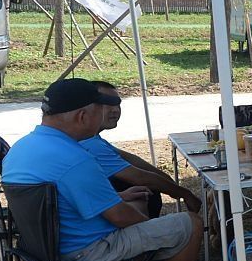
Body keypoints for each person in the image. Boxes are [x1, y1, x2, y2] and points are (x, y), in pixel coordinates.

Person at [2, 78, 214, 261]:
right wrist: (156, 228)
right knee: (190, 224)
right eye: (99, 112)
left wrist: (120, 197)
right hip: (86, 251)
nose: (103, 117)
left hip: (42, 249)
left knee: (136, 199)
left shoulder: (20, 149)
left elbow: (59, 199)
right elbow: (120, 218)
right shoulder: (75, 157)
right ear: (83, 116)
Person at [79, 81, 204, 218]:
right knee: (193, 223)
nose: (115, 109)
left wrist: (170, 183)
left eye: (117, 103)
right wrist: (185, 194)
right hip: (112, 226)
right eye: (107, 103)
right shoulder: (90, 144)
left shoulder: (94, 139)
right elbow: (141, 177)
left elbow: (130, 159)